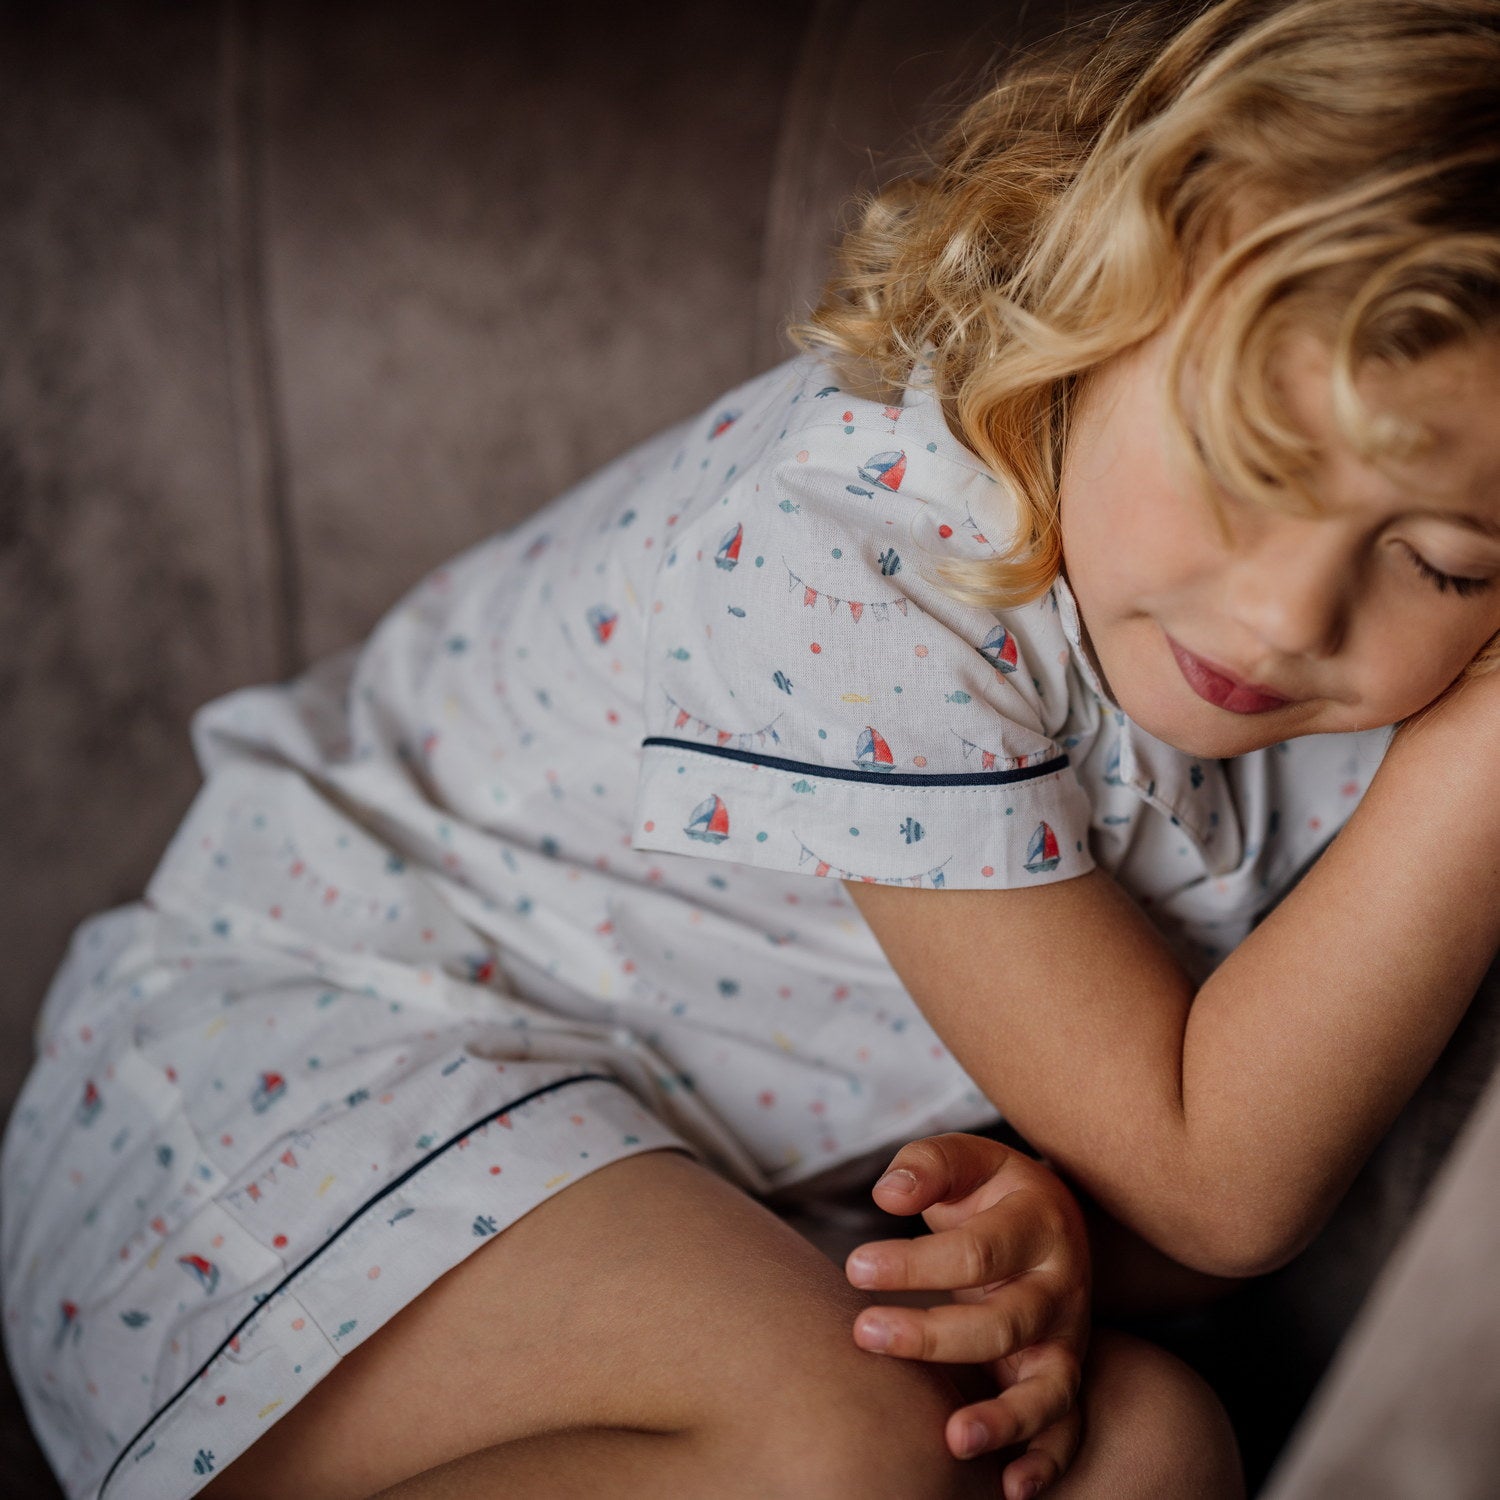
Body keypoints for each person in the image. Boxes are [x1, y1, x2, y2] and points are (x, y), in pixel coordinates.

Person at [6, 0, 1500, 1496]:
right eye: (1248, 466)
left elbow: (1172, 1219)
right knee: (839, 1438)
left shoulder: (1332, 679)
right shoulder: (865, 551)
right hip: (314, 1062)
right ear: (1100, 292)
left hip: (711, 1199)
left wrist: (1037, 1225)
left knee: (1156, 1451)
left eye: (1443, 559)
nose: (1290, 613)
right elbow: (1217, 1175)